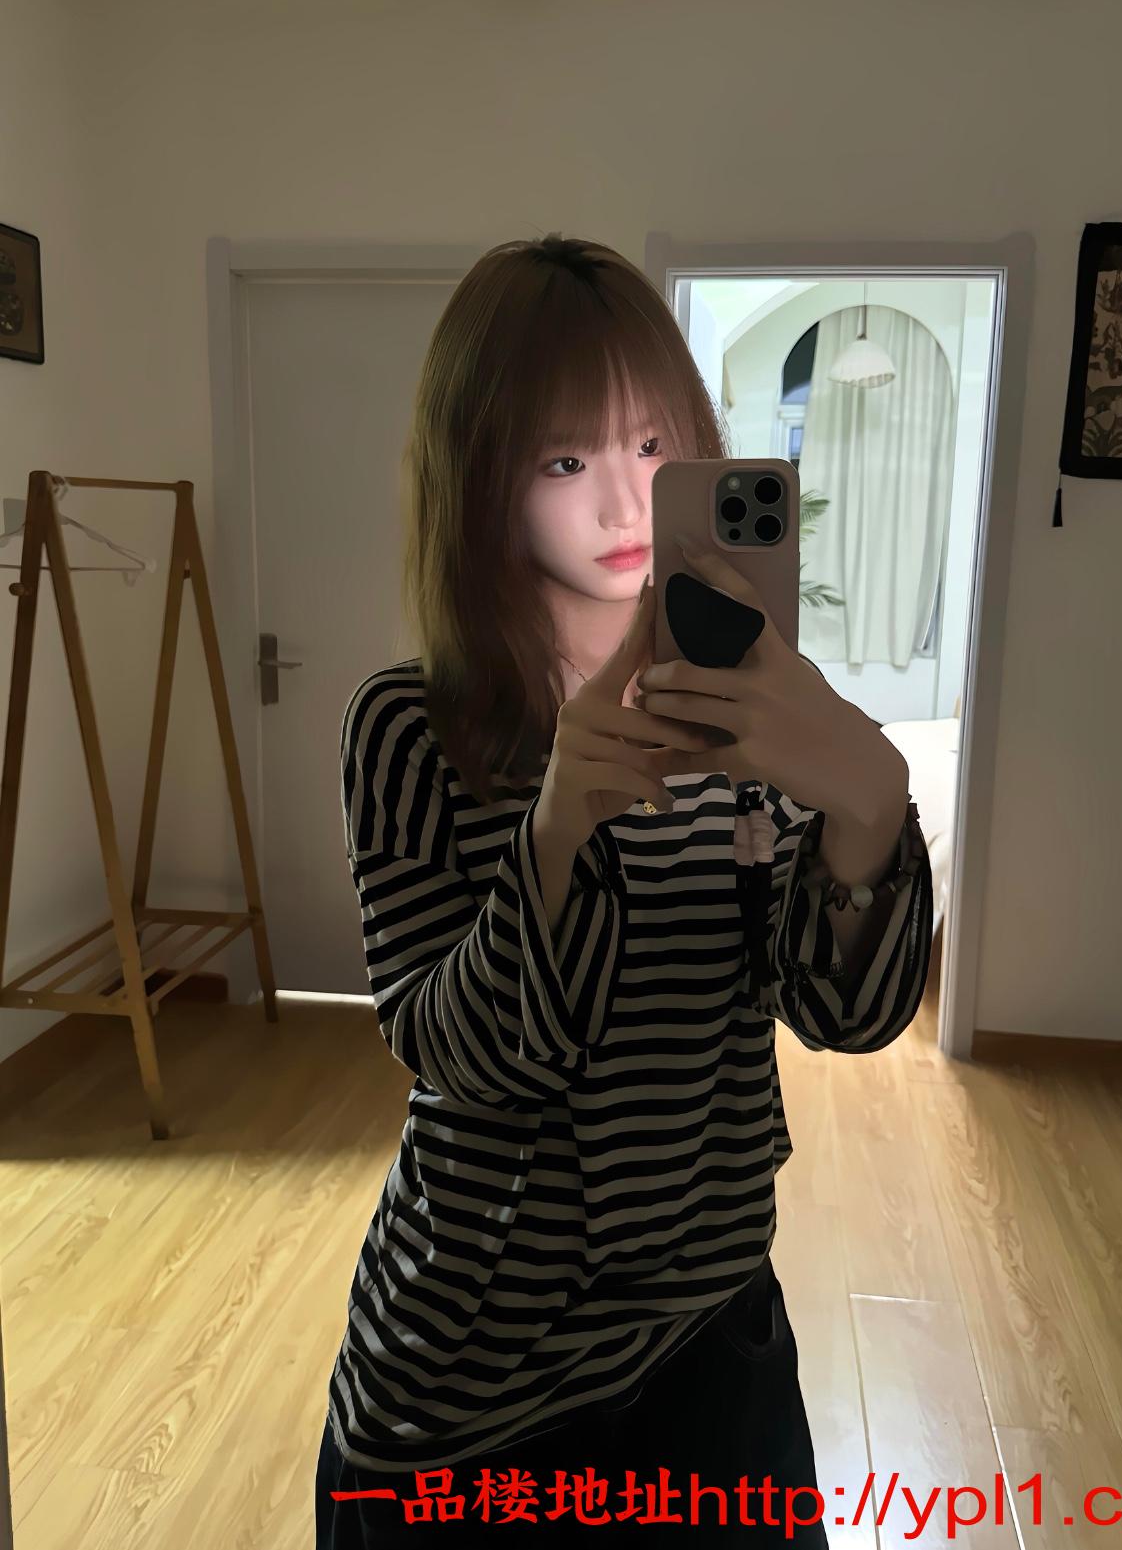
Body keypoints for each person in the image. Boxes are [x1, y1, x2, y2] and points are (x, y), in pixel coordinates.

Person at [314, 233, 935, 1546]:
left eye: (653, 446)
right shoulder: (416, 729)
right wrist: (557, 825)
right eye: (563, 461)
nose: (622, 504)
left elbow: (843, 1014)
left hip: (715, 1342)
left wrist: (869, 805)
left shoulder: (758, 720)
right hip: (476, 1383)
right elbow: (455, 1052)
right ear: (478, 478)